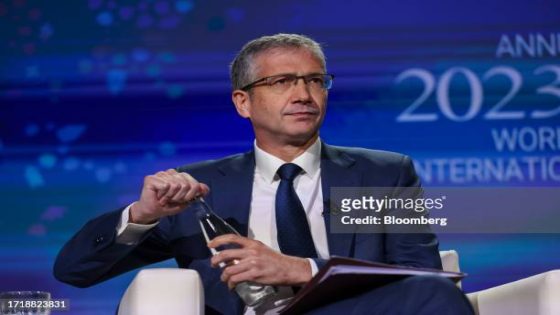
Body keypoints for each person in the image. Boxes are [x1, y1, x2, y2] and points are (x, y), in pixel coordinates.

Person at [54, 33, 473, 314]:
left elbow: (423, 277)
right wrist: (141, 215)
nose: (303, 94)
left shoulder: (381, 174)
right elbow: (75, 271)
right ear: (243, 102)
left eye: (315, 80)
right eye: (282, 81)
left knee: (434, 293)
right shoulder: (201, 188)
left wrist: (299, 269)